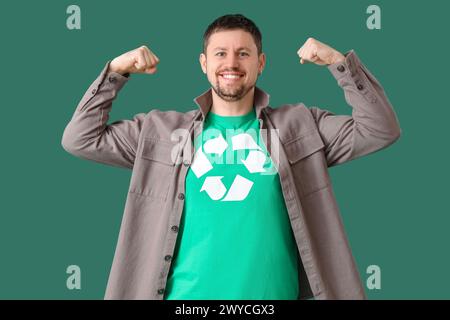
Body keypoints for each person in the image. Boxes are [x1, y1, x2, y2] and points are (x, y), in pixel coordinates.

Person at [61, 14, 401, 300]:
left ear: (261, 62)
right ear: (204, 63)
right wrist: (116, 73)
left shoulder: (300, 125)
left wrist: (339, 64)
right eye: (220, 53)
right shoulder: (159, 131)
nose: (231, 63)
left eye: (243, 54)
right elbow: (81, 139)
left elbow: (380, 129)